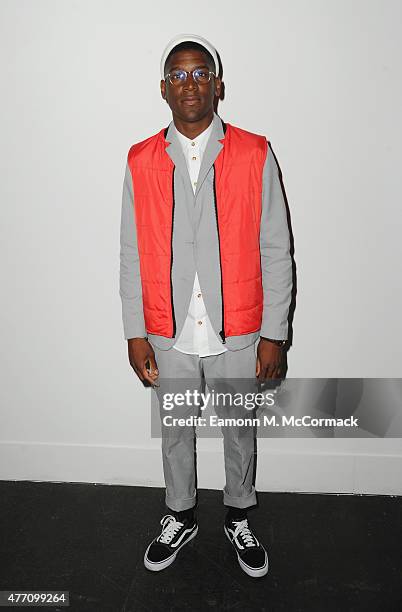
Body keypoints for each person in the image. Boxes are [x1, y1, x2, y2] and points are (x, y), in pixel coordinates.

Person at [119, 33, 292, 578]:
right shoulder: (141, 159)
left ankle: (238, 513)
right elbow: (131, 250)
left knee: (239, 428)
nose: (189, 84)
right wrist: (135, 330)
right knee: (176, 429)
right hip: (169, 328)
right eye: (178, 75)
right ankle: (181, 513)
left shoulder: (255, 152)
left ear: (218, 85)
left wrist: (274, 332)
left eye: (200, 74)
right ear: (163, 90)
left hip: (237, 327)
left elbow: (276, 248)